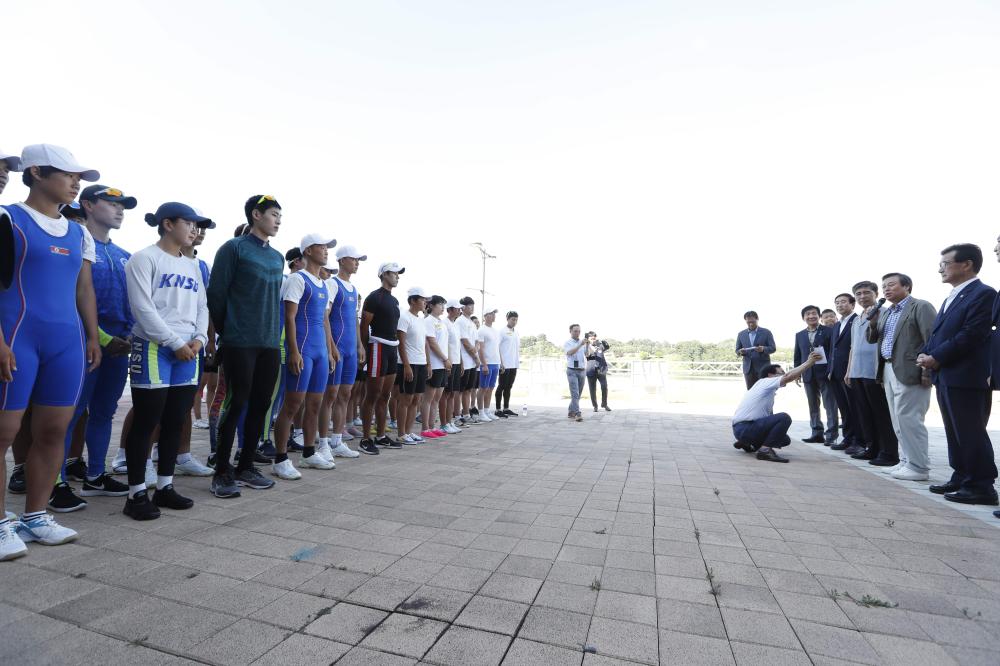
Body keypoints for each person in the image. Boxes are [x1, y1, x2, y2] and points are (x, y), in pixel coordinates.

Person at [0, 144, 103, 559]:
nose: (76, 182)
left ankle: (35, 516)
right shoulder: (8, 218)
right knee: (4, 434)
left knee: (53, 430)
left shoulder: (79, 232)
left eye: (79, 176)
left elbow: (84, 289)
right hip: (16, 338)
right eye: (68, 174)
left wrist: (92, 337)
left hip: (67, 344)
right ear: (37, 172)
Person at [48, 185, 137, 513]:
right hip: (81, 343)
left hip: (118, 347)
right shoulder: (73, 243)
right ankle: (54, 482)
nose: (119, 210)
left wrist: (126, 336)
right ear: (86, 204)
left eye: (122, 205)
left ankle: (96, 475)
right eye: (111, 203)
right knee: (67, 414)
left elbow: (132, 303)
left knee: (103, 413)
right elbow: (71, 295)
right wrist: (99, 338)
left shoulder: (124, 255)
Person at [121, 202, 212, 520]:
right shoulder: (144, 258)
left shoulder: (192, 265)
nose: (194, 230)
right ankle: (135, 494)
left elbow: (203, 306)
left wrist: (199, 339)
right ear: (168, 223)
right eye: (190, 223)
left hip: (188, 351)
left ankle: (165, 486)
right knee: (147, 421)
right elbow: (142, 309)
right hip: (154, 348)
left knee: (175, 420)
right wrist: (174, 342)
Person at [206, 195, 284, 497]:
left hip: (268, 343)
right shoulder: (233, 248)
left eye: (280, 216)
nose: (277, 220)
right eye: (273, 214)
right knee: (236, 402)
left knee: (261, 405)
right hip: (240, 341)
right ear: (256, 214)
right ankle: (222, 470)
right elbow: (216, 294)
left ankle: (246, 465)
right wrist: (228, 331)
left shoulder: (276, 257)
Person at [917, 245, 997, 504]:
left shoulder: (983, 294)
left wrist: (937, 357)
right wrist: (926, 353)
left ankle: (981, 486)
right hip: (947, 374)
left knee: (970, 430)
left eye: (946, 262)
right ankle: (961, 476)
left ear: (967, 264)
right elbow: (940, 332)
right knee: (954, 430)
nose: (940, 268)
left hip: (967, 374)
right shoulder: (953, 295)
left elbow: (973, 333)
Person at [272, 235, 339, 479]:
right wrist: (294, 351)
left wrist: (330, 350)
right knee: (292, 405)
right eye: (322, 247)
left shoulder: (322, 283)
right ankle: (280, 459)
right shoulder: (296, 279)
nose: (326, 251)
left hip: (320, 351)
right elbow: (289, 317)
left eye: (327, 248)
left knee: (315, 404)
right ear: (308, 251)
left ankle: (309, 453)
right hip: (302, 350)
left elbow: (323, 319)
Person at [866, 272, 937, 481]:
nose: (886, 289)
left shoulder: (920, 306)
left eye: (891, 285)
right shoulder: (886, 313)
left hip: (911, 370)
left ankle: (919, 467)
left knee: (910, 418)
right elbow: (872, 339)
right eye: (884, 286)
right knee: (897, 419)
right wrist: (873, 322)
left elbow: (931, 339)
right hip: (888, 369)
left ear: (907, 287)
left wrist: (927, 371)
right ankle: (906, 461)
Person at [732, 352, 824, 463]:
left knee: (784, 439)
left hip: (742, 429)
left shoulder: (764, 389)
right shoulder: (765, 382)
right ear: (770, 375)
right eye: (780, 373)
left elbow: (788, 375)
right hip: (744, 428)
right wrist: (809, 363)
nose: (784, 375)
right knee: (784, 418)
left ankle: (747, 442)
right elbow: (788, 376)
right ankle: (764, 451)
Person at [318, 245, 365, 459]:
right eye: (354, 259)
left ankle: (337, 440)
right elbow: (324, 316)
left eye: (358, 260)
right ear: (342, 260)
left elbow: (354, 320)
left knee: (346, 395)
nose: (356, 263)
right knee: (330, 396)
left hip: (350, 350)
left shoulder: (353, 289)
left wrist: (359, 345)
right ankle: (323, 443)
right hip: (336, 348)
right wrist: (331, 346)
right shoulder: (331, 284)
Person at [846, 281, 899, 466]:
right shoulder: (857, 318)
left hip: (875, 371)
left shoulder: (884, 312)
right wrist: (849, 371)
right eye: (858, 293)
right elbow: (853, 347)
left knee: (881, 413)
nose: (862, 296)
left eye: (866, 292)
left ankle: (889, 452)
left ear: (876, 294)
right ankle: (872, 448)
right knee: (864, 413)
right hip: (857, 371)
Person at [359, 262, 405, 454]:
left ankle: (380, 436)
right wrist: (364, 348)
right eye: (394, 273)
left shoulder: (394, 301)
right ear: (384, 275)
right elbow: (364, 326)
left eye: (398, 274)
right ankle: (365, 438)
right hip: (377, 346)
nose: (397, 276)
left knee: (385, 395)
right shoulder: (373, 297)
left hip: (392, 349)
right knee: (372, 394)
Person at [794, 305, 838, 444]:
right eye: (807, 314)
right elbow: (798, 355)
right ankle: (816, 432)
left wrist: (832, 370)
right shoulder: (799, 335)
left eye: (814, 313)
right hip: (808, 374)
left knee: (829, 405)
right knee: (813, 405)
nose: (811, 316)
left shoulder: (829, 331)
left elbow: (833, 352)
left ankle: (831, 435)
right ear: (803, 318)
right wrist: (797, 373)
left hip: (825, 373)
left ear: (819, 316)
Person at [829, 293, 862, 454]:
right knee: (844, 408)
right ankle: (847, 438)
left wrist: (850, 370)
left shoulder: (857, 321)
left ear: (852, 304)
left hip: (850, 372)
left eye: (843, 302)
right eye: (837, 303)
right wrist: (830, 370)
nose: (840, 305)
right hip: (835, 373)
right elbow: (832, 350)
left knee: (854, 407)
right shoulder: (836, 325)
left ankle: (858, 440)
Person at [397, 286, 430, 442]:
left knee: (417, 400)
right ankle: (401, 434)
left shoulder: (421, 319)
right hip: (409, 364)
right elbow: (401, 343)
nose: (425, 302)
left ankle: (409, 432)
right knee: (406, 399)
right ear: (413, 300)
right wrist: (406, 365)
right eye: (423, 299)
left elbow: (423, 344)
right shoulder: (404, 317)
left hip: (421, 363)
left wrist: (427, 364)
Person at [421, 295, 451, 439]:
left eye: (443, 305)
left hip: (443, 365)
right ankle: (425, 428)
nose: (442, 308)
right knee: (428, 398)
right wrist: (444, 359)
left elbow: (445, 344)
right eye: (440, 305)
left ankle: (432, 426)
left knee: (437, 398)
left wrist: (447, 360)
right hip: (434, 364)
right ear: (431, 306)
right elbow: (431, 343)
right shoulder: (428, 322)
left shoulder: (441, 322)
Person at [735, 311, 776, 389]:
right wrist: (740, 352)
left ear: (757, 319)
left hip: (764, 369)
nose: (750, 324)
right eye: (748, 322)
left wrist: (763, 349)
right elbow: (737, 350)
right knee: (751, 394)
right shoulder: (741, 334)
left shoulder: (766, 332)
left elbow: (773, 348)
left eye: (753, 322)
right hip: (748, 370)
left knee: (765, 392)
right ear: (745, 321)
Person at [442, 300, 465, 432]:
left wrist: (461, 362)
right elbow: (444, 344)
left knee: (452, 393)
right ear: (449, 310)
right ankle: (444, 423)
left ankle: (450, 422)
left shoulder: (455, 325)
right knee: (446, 394)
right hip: (449, 362)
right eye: (457, 308)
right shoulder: (444, 323)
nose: (459, 311)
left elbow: (458, 346)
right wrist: (447, 361)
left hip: (457, 362)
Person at [476, 309, 502, 421]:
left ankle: (487, 411)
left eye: (494, 314)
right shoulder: (482, 330)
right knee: (483, 388)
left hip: (495, 363)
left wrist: (500, 363)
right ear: (485, 316)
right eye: (491, 314)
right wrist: (484, 364)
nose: (493, 316)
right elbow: (480, 349)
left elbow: (497, 348)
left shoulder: (495, 331)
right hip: (486, 363)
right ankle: (481, 412)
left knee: (491, 388)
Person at [457, 297, 480, 424]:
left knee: (468, 389)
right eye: (469, 305)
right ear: (463, 307)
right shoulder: (460, 321)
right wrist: (475, 356)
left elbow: (476, 341)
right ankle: (459, 415)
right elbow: (464, 341)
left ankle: (466, 414)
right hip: (464, 361)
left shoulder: (471, 323)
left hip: (472, 361)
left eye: (473, 305)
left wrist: (475, 352)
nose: (472, 308)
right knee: (461, 390)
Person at [496, 311, 520, 416]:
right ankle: (497, 410)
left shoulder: (516, 332)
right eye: (512, 319)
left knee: (509, 386)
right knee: (501, 385)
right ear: (507, 319)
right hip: (504, 364)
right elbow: (496, 347)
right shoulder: (502, 331)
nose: (514, 322)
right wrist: (501, 363)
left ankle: (506, 408)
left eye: (516, 320)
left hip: (513, 364)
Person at [564, 324, 587, 421]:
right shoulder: (568, 342)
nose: (577, 333)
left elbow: (587, 354)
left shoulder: (583, 343)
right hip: (572, 370)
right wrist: (580, 345)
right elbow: (569, 353)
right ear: (570, 331)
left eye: (579, 331)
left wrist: (588, 344)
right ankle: (578, 413)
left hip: (582, 370)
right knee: (575, 393)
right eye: (575, 331)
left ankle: (571, 411)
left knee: (578, 394)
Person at [585, 331, 611, 412]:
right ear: (587, 339)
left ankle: (604, 404)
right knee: (592, 390)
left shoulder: (600, 345)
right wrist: (587, 345)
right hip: (591, 370)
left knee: (604, 387)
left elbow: (607, 346)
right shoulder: (586, 346)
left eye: (594, 338)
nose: (593, 340)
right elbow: (587, 354)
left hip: (601, 369)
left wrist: (600, 342)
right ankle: (595, 406)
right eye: (591, 339)